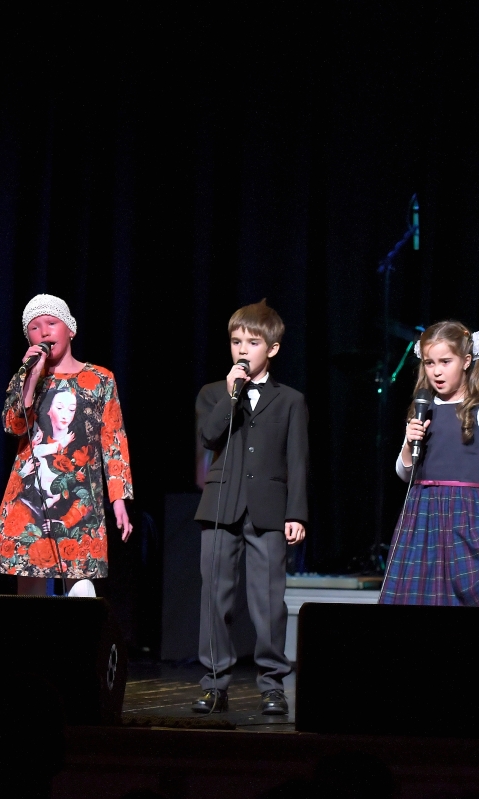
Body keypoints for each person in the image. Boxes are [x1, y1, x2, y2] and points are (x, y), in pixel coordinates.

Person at [193, 299, 308, 715]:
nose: (242, 349)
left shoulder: (290, 400)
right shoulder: (213, 393)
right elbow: (209, 437)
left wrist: (296, 513)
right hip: (220, 505)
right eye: (236, 341)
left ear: (272, 349)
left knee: (269, 601)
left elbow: (297, 460)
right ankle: (214, 683)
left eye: (253, 342)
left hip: (269, 509)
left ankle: (272, 684)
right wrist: (231, 395)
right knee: (215, 598)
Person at [0, 294, 134, 598]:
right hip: (31, 496)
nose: (44, 332)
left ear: (70, 329)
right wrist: (31, 378)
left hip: (80, 498)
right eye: (34, 328)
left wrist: (118, 498)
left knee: (82, 588)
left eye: (51, 323)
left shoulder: (100, 379)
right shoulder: (26, 378)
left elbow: (113, 440)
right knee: (30, 589)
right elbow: (13, 425)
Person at [380, 320, 479, 606]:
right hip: (424, 509)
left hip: (467, 510)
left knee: (470, 589)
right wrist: (409, 442)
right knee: (420, 594)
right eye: (429, 363)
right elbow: (404, 473)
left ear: (466, 361)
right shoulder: (422, 410)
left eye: (445, 362)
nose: (437, 371)